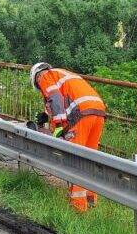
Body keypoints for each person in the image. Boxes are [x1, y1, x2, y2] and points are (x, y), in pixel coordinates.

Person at [30, 62, 106, 211]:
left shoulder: (45, 76)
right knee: (89, 159)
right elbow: (66, 99)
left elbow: (55, 98)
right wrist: (47, 117)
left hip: (81, 115)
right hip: (98, 111)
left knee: (75, 161)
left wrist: (58, 126)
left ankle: (78, 207)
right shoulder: (63, 73)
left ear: (35, 77)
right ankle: (90, 200)